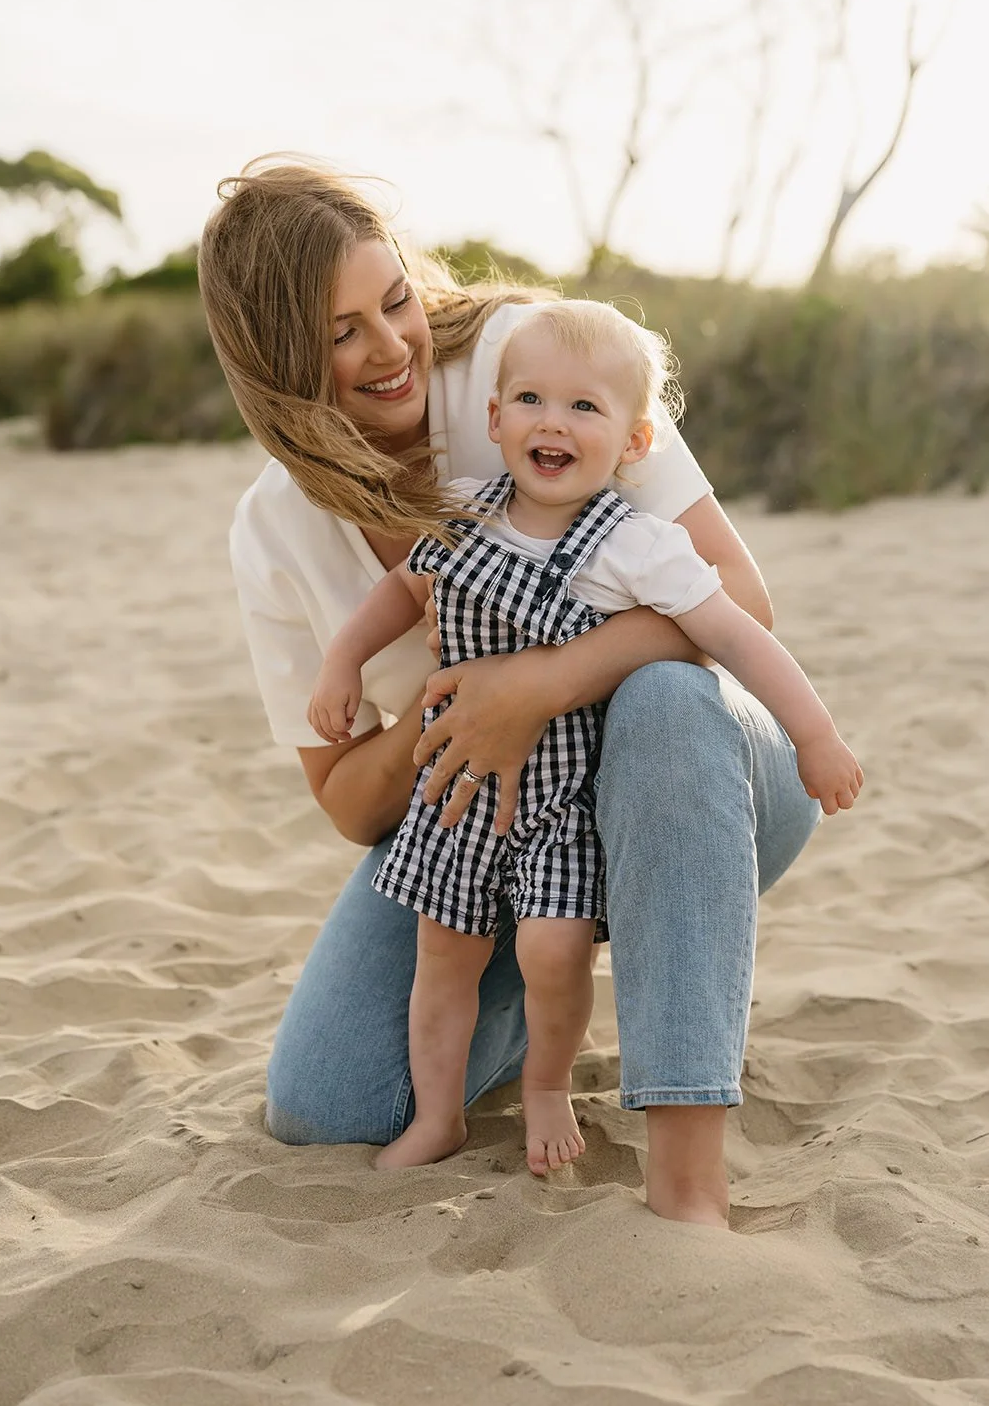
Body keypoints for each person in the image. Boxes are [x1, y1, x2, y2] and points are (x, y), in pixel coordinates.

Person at [199, 156, 830, 1228]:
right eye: (340, 330)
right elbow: (348, 802)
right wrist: (457, 712)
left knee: (665, 698)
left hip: (692, 780)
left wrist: (540, 682)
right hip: (486, 829)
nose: (390, 346)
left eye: (392, 300)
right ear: (274, 358)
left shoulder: (534, 363)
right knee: (328, 1102)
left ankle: (686, 1173)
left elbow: (739, 599)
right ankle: (538, 1000)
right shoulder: (271, 530)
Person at [306, 300, 863, 1176]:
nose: (552, 422)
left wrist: (815, 734)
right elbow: (402, 594)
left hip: (564, 802)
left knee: (551, 950)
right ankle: (439, 1117)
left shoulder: (637, 548)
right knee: (440, 957)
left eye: (585, 408)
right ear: (494, 421)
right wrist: (343, 661)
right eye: (530, 399)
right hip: (456, 799)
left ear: (634, 442)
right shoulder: (461, 515)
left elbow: (740, 634)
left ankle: (545, 1084)